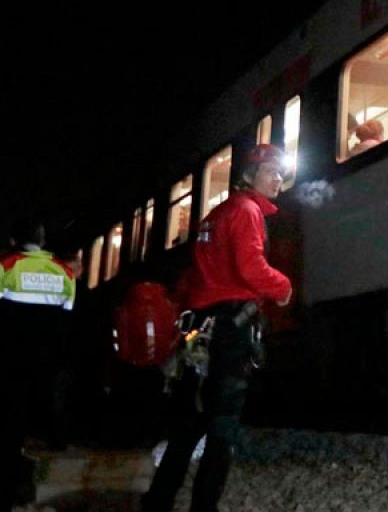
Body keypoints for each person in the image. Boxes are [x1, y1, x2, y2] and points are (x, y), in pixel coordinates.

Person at [143, 143, 293, 512]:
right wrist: (283, 287)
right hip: (229, 331)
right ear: (249, 175)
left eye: (280, 172)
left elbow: (193, 279)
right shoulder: (246, 211)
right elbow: (250, 267)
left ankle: (158, 502)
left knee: (189, 423)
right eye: (270, 171)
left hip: (200, 330)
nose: (278, 178)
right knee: (222, 426)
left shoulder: (217, 214)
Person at [0, 219, 76, 512]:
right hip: (44, 367)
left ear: (13, 240)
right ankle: (20, 492)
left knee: (0, 429)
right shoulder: (64, 272)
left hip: (7, 360)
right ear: (42, 241)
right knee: (24, 429)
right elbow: (65, 320)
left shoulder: (3, 264)